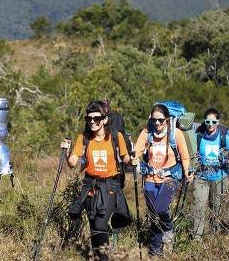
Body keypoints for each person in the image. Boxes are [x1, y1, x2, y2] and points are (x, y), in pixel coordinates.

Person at [63, 101, 132, 260]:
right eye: (89, 119)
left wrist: (132, 160)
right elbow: (73, 163)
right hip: (90, 186)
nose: (93, 122)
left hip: (110, 185)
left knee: (100, 225)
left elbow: (125, 157)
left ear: (105, 119)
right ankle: (98, 257)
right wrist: (67, 152)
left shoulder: (116, 136)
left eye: (97, 119)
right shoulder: (84, 138)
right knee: (94, 226)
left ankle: (105, 257)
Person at [133, 104, 192, 256]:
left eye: (160, 120)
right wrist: (134, 158)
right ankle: (155, 250)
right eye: (154, 120)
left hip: (170, 178)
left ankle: (168, 227)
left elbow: (184, 156)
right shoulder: (146, 133)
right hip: (150, 179)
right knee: (153, 217)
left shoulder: (176, 134)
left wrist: (187, 171)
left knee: (160, 209)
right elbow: (137, 151)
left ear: (167, 119)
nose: (157, 123)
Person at [192, 107, 229, 241]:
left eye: (213, 122)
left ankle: (214, 238)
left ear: (218, 122)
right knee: (199, 207)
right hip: (201, 177)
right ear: (204, 122)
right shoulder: (199, 136)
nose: (210, 125)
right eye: (207, 122)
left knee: (216, 208)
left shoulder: (224, 137)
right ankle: (197, 239)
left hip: (219, 177)